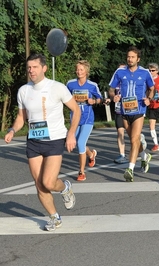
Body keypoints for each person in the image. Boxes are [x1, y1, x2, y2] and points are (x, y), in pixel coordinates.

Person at [4, 53, 80, 231]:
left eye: (35, 67)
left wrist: (71, 134)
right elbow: (21, 117)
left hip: (54, 140)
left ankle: (65, 187)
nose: (31, 70)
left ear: (44, 68)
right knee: (39, 184)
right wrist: (13, 130)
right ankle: (54, 217)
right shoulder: (24, 90)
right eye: (29, 67)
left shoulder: (57, 87)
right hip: (34, 141)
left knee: (48, 182)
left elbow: (76, 110)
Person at [109, 46, 155, 182]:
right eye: (128, 57)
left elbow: (152, 89)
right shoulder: (120, 72)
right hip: (124, 110)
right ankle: (145, 156)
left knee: (134, 139)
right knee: (133, 140)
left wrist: (149, 99)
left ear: (138, 59)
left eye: (133, 57)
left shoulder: (145, 73)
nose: (130, 59)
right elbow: (111, 89)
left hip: (139, 110)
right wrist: (114, 96)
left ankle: (130, 169)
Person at [66, 60, 102, 181]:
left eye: (81, 69)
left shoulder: (92, 85)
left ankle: (81, 172)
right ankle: (91, 154)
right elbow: (64, 97)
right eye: (77, 69)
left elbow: (100, 99)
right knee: (77, 142)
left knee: (81, 143)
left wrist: (94, 101)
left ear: (86, 71)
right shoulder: (70, 84)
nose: (79, 72)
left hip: (87, 118)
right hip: (75, 118)